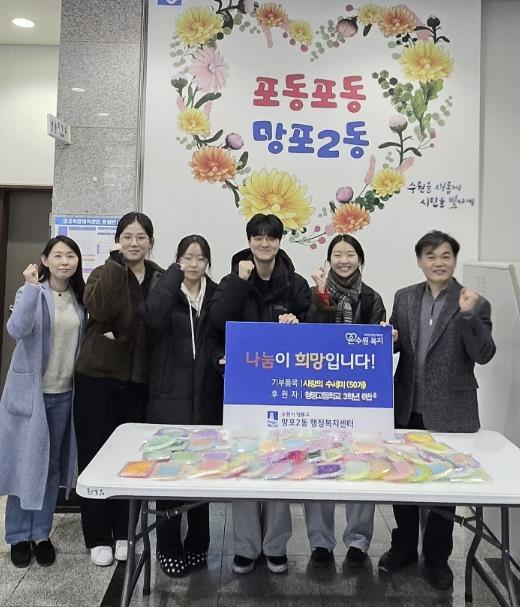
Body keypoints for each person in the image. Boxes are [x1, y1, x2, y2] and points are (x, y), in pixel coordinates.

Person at [378, 230, 496, 590]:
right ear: (419, 261)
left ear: (454, 260)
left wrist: (469, 316)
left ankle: (437, 558)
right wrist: (389, 339)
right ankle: (403, 548)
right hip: (407, 406)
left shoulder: (473, 301)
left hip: (451, 411)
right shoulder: (404, 297)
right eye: (430, 256)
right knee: (402, 482)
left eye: (445, 256)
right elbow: (397, 345)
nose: (438, 262)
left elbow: (484, 354)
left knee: (443, 488)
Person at [209, 213, 311, 575]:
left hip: (284, 390)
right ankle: (246, 547)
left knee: (281, 463)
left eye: (271, 237)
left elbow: (314, 330)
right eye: (257, 237)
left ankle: (276, 545)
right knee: (244, 463)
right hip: (242, 389)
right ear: (249, 241)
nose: (264, 243)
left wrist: (298, 324)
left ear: (280, 242)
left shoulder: (296, 284)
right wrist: (240, 282)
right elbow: (217, 322)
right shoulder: (231, 279)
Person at [73, 212, 162, 567]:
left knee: (131, 460)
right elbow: (99, 308)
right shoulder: (103, 271)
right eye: (127, 236)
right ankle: (97, 536)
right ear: (118, 240)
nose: (134, 243)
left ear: (151, 241)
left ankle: (125, 532)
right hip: (97, 377)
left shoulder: (159, 276)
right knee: (94, 456)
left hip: (138, 380)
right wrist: (115, 266)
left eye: (141, 237)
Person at [0, 236, 85, 568]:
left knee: (50, 468)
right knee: (26, 464)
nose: (65, 261)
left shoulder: (79, 298)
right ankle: (18, 535)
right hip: (32, 396)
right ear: (45, 259)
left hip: (65, 395)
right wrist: (31, 287)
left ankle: (41, 533)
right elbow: (16, 328)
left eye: (71, 255)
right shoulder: (32, 292)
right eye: (58, 255)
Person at [143, 234, 223, 577]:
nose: (194, 264)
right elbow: (151, 318)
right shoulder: (164, 289)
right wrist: (171, 278)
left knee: (202, 476)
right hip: (168, 396)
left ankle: (198, 544)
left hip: (205, 396)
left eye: (200, 258)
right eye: (187, 257)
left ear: (207, 263)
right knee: (170, 477)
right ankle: (169, 547)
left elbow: (221, 338)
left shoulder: (215, 294)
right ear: (177, 260)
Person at [304, 234, 386, 568]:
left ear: (359, 259)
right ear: (329, 260)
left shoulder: (372, 297)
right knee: (319, 465)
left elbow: (379, 347)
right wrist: (322, 293)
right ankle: (320, 541)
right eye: (337, 254)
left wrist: (388, 336)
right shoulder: (314, 294)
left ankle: (358, 540)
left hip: (358, 395)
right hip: (320, 391)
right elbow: (311, 334)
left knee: (362, 465)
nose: (343, 260)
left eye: (349, 254)